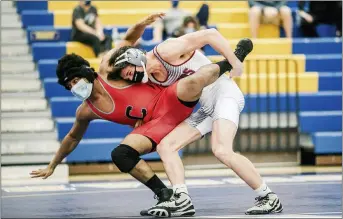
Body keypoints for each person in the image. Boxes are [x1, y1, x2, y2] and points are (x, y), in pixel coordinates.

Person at [29, 13, 249, 217]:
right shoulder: (86, 110)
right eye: (69, 86)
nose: (74, 87)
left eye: (75, 81)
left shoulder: (108, 69)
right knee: (121, 154)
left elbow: (127, 41)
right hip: (153, 126)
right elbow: (73, 137)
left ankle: (230, 61)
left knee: (191, 82)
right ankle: (165, 196)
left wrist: (141, 25)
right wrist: (53, 165)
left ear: (85, 72)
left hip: (169, 99)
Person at [110, 14, 282, 217]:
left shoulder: (166, 51)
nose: (133, 79)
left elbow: (210, 34)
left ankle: (269, 197)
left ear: (134, 58)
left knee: (221, 150)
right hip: (206, 108)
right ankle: (181, 199)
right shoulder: (151, 79)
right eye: (128, 78)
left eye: (129, 73)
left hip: (225, 95)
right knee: (166, 146)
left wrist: (235, 62)